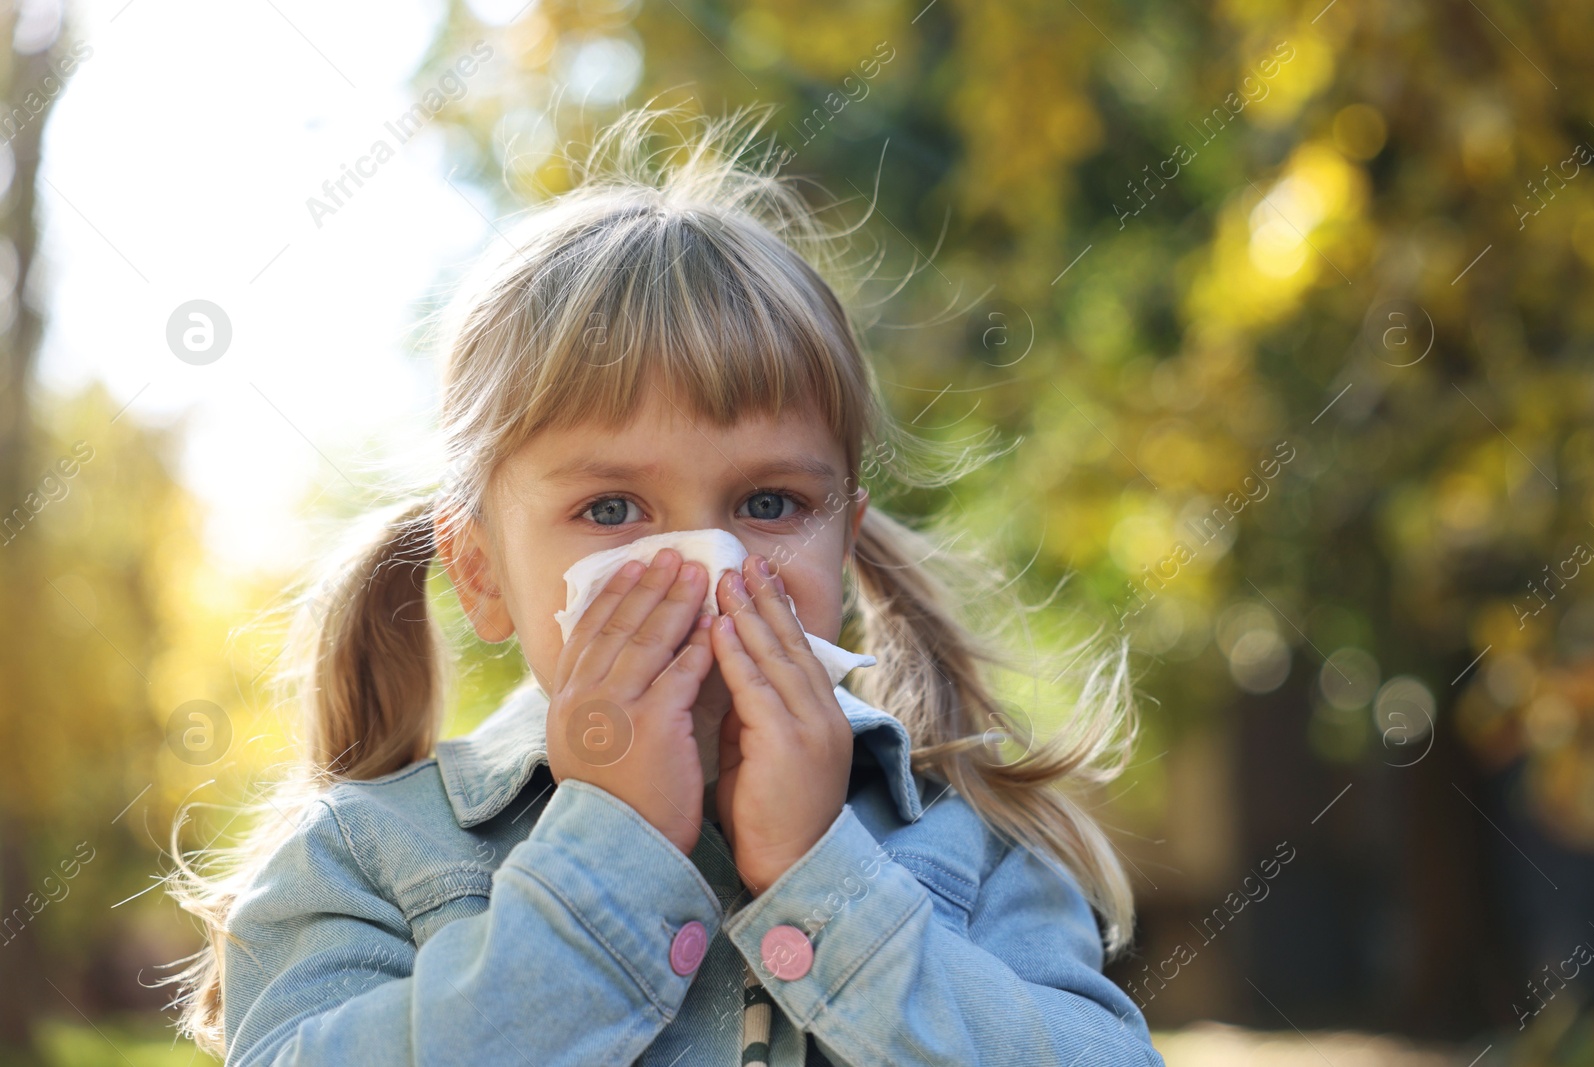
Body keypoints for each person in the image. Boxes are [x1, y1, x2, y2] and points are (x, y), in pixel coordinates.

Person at [164, 104, 1164, 1066]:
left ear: (844, 551)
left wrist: (825, 879)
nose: (703, 565)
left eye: (767, 503)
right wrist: (612, 858)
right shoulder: (368, 856)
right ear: (480, 571)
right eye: (610, 509)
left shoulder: (972, 848)